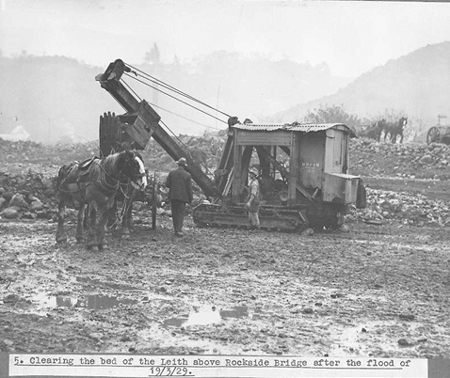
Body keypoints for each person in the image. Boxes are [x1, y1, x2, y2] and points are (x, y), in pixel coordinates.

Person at [165, 157, 193, 237]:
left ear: (178, 165)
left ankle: (175, 230)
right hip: (183, 198)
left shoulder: (172, 173)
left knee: (174, 213)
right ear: (184, 166)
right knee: (180, 213)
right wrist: (190, 199)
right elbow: (189, 188)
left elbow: (167, 184)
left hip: (173, 196)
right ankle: (179, 230)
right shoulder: (188, 175)